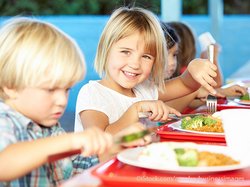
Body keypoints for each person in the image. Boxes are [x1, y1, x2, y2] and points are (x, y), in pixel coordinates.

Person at [0, 17, 150, 186]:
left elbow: (73, 170)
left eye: (66, 89)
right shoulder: (5, 121)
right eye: (50, 90)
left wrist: (113, 146)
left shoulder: (50, 127)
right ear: (10, 86)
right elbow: (4, 163)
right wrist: (72, 141)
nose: (62, 100)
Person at [74, 6, 218, 134]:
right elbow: (101, 140)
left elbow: (186, 85)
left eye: (146, 56)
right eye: (125, 52)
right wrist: (136, 110)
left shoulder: (144, 90)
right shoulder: (93, 93)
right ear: (105, 50)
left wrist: (193, 68)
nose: (135, 64)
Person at [164, 22, 247, 111]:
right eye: (165, 54)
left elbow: (189, 101)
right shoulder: (184, 73)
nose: (172, 62)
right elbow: (169, 107)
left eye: (174, 55)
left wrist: (221, 92)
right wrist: (212, 57)